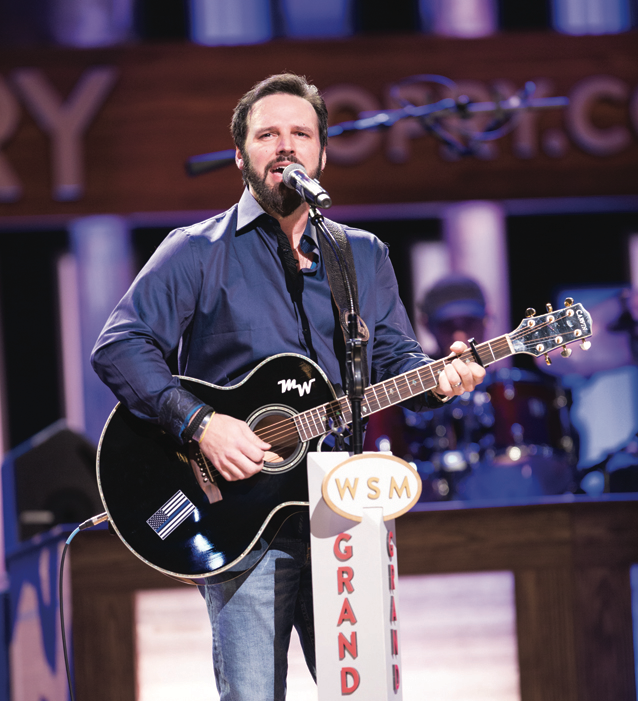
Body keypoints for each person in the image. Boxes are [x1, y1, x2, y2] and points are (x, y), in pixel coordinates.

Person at [91, 73, 485, 701]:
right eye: (267, 134)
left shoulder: (363, 255)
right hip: (241, 518)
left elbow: (394, 357)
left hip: (342, 510)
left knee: (365, 693)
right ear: (241, 155)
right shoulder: (195, 251)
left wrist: (442, 377)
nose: (285, 146)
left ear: (322, 155)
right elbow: (119, 346)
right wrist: (200, 424)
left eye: (300, 134)